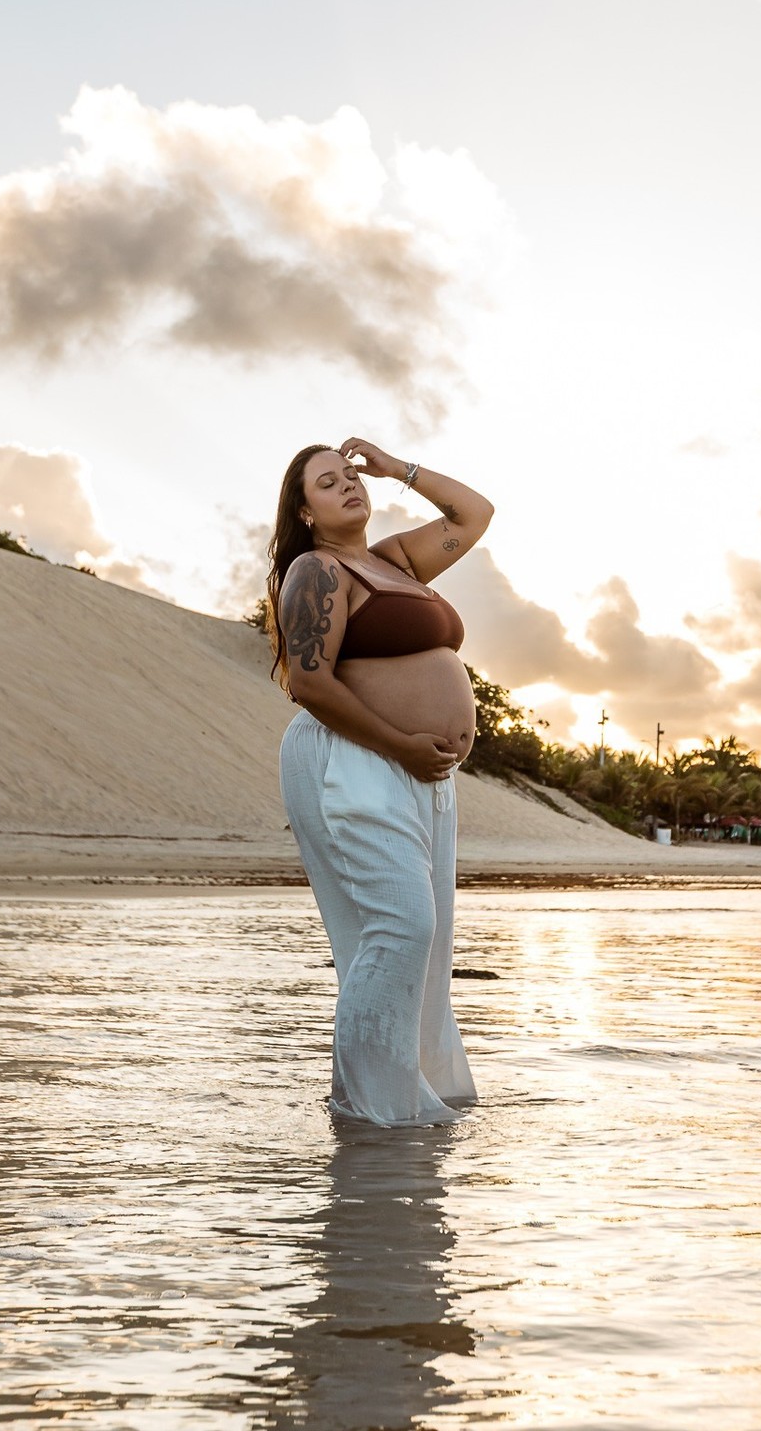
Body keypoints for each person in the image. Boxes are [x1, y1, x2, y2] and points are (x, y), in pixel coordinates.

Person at [269, 438, 493, 1128]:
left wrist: (398, 469)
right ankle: (368, 1111)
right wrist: (400, 743)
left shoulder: (394, 561)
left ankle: (409, 1105)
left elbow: (474, 513)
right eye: (327, 483)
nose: (349, 485)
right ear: (304, 513)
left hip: (423, 774)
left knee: (430, 946)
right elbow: (309, 682)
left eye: (351, 476)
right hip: (355, 757)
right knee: (403, 926)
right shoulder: (317, 570)